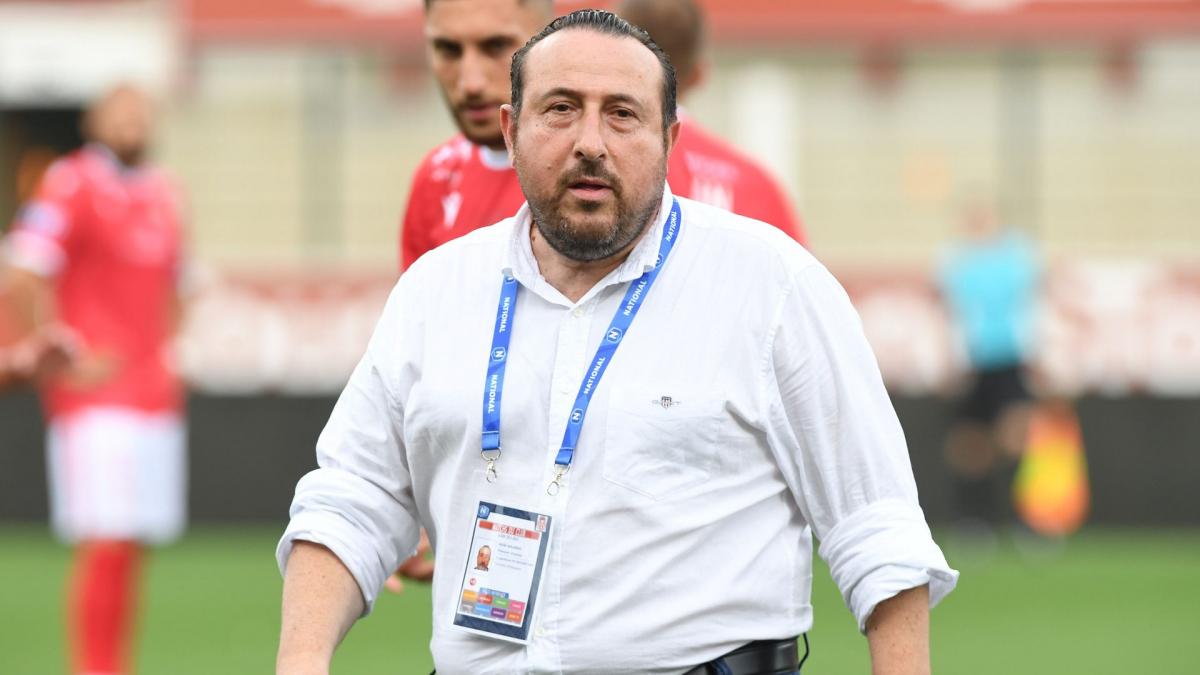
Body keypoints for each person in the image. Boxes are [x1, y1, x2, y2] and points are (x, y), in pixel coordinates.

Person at [277, 11, 956, 674]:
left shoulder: (772, 286)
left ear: (669, 137)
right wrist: (302, 658)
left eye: (623, 114)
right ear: (511, 131)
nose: (590, 142)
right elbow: (352, 500)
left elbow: (876, 527)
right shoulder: (436, 291)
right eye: (561, 109)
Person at [399, 0, 805, 272]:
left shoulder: (633, 174)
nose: (470, 81)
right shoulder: (437, 178)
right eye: (448, 49)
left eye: (496, 46)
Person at [2, 84, 189, 675]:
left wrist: (169, 351)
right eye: (121, 112)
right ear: (94, 122)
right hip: (97, 395)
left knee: (132, 542)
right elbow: (23, 269)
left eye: (142, 112)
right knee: (105, 539)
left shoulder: (164, 191)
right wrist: (61, 351)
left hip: (152, 392)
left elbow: (179, 284)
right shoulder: (71, 182)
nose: (133, 122)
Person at [938, 196, 1040, 535]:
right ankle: (975, 520)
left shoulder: (1017, 256)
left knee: (1016, 439)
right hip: (973, 363)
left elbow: (1030, 308)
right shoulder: (955, 260)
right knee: (971, 445)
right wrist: (952, 360)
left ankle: (1025, 521)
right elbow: (953, 315)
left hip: (1010, 359)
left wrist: (1037, 355)